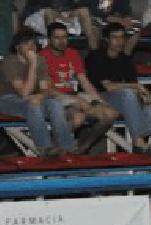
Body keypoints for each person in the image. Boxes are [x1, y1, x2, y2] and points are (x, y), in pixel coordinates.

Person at [86, 22, 151, 154]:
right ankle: (138, 142)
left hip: (124, 103)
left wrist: (144, 98)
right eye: (115, 37)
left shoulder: (125, 60)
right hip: (101, 100)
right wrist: (135, 87)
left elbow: (134, 87)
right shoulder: (95, 57)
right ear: (106, 40)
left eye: (122, 37)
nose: (119, 41)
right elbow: (107, 87)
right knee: (127, 93)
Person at [40, 21, 118, 153]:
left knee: (111, 113)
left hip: (73, 94)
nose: (61, 41)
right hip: (53, 98)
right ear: (49, 40)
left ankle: (82, 147)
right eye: (57, 38)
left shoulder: (73, 54)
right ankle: (52, 147)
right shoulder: (42, 57)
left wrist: (98, 100)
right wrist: (75, 101)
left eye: (64, 37)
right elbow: (47, 89)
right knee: (78, 118)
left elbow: (84, 81)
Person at [0, 27, 77, 155]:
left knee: (54, 103)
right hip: (7, 99)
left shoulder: (40, 60)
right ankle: (45, 148)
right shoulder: (9, 62)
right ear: (17, 47)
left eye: (33, 43)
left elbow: (45, 89)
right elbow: (24, 92)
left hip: (31, 98)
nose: (31, 47)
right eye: (27, 44)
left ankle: (67, 146)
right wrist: (33, 64)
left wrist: (40, 96)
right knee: (33, 105)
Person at [21, 0, 99, 50]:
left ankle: (94, 51)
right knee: (49, 12)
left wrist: (73, 12)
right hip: (39, 17)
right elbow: (46, 9)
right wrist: (62, 16)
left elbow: (74, 7)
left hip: (62, 16)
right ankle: (54, 50)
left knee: (84, 11)